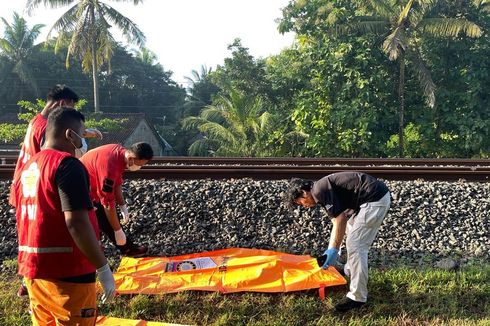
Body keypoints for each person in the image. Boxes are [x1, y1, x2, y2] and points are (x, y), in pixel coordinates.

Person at [11, 107, 115, 324]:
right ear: (70, 134)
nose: (83, 141)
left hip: (34, 273)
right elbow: (76, 222)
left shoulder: (27, 168)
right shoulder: (67, 165)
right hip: (70, 274)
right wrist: (103, 267)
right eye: (82, 134)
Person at [10, 84, 102, 297]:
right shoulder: (59, 152)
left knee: (31, 233)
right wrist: (103, 268)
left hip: (27, 183)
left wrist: (86, 132)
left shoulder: (36, 121)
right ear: (62, 104)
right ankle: (42, 276)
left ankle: (32, 278)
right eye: (69, 108)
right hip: (44, 181)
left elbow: (61, 131)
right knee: (50, 229)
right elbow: (59, 142)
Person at [286, 172, 390, 312]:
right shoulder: (320, 190)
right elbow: (338, 220)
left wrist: (332, 250)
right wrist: (334, 249)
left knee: (356, 245)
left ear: (304, 193)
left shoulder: (320, 190)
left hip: (373, 200)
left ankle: (357, 297)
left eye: (300, 203)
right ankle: (348, 270)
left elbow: (339, 219)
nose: (303, 206)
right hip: (366, 201)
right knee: (350, 230)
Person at [80, 142, 154, 257]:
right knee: (103, 218)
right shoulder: (109, 166)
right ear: (130, 159)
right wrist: (118, 230)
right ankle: (127, 249)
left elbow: (117, 183)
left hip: (91, 182)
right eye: (139, 164)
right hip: (82, 187)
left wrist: (122, 206)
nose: (139, 167)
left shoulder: (120, 153)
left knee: (106, 218)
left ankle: (102, 243)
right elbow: (107, 202)